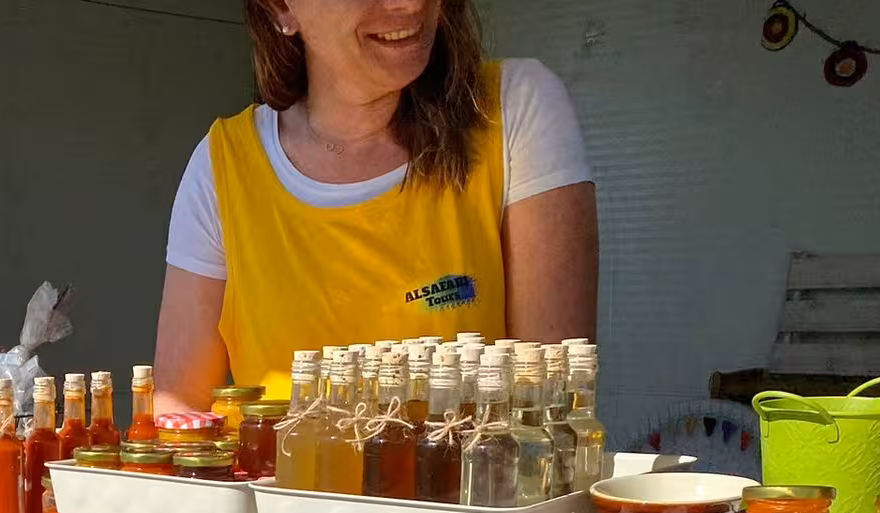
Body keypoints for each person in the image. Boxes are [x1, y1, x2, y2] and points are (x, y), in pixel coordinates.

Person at [156, 0, 598, 409]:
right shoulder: (223, 166)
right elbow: (179, 414)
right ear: (281, 6)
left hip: (470, 495)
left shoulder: (513, 110)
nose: (409, 4)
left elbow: (550, 413)